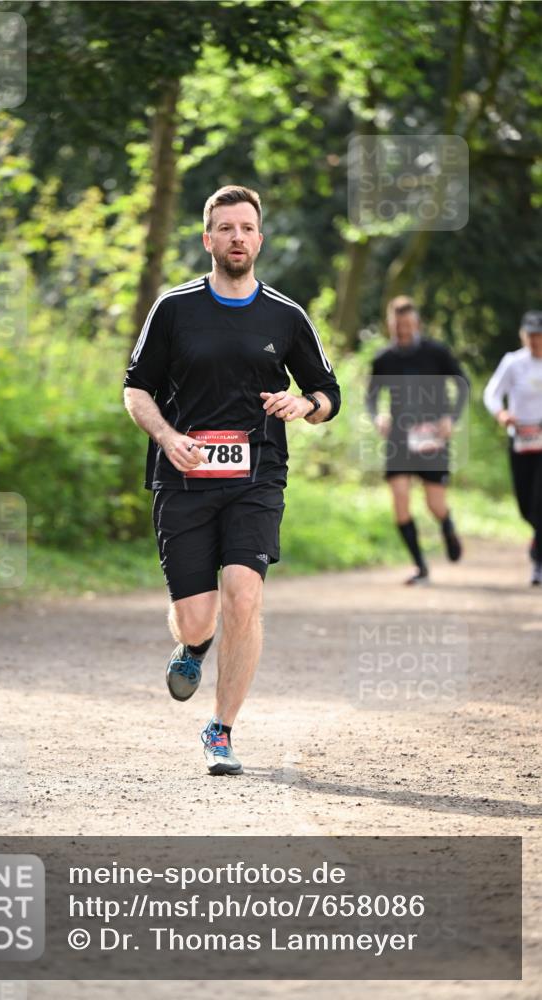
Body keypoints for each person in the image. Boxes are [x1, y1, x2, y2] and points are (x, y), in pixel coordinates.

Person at [123, 185, 340, 775]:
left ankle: (220, 730)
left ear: (260, 239)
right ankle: (193, 646)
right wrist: (168, 439)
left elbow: (329, 393)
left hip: (257, 477)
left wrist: (305, 406)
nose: (237, 237)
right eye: (226, 228)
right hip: (183, 478)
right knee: (199, 616)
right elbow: (135, 387)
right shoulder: (173, 309)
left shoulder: (286, 315)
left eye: (247, 227)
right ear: (208, 238)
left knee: (244, 595)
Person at [366, 296, 470, 585]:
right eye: (398, 326)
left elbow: (462, 384)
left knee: (434, 504)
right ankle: (421, 567)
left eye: (408, 325)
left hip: (432, 435)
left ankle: (447, 525)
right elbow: (372, 398)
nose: (404, 331)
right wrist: (378, 417)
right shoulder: (383, 358)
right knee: (400, 501)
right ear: (390, 325)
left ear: (417, 324)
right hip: (399, 435)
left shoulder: (436, 352)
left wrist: (451, 418)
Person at [483, 310, 542, 586]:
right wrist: (502, 414)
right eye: (530, 336)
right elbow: (492, 392)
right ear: (523, 336)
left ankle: (538, 561)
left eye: (539, 336)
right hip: (520, 438)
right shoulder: (513, 362)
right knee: (524, 505)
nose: (535, 342)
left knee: (540, 501)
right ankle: (537, 540)